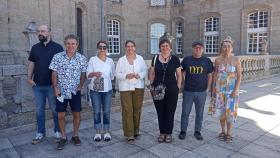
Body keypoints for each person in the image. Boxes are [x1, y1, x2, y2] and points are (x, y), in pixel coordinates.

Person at [49, 34, 87, 150]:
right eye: (68, 43)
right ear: (65, 44)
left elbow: (83, 73)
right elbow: (54, 72)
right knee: (60, 114)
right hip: (61, 91)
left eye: (73, 44)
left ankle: (75, 135)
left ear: (77, 45)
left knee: (77, 113)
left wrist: (80, 86)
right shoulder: (57, 57)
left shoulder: (82, 58)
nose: (71, 46)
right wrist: (55, 88)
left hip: (75, 91)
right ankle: (63, 137)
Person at [27, 25, 63, 144]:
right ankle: (40, 132)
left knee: (54, 109)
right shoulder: (35, 48)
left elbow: (61, 67)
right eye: (38, 31)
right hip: (37, 86)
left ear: (49, 33)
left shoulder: (58, 47)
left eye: (43, 31)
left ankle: (57, 131)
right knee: (39, 110)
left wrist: (58, 85)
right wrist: (29, 78)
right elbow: (31, 63)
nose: (40, 33)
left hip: (52, 86)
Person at [179, 40, 214, 141]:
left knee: (199, 113)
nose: (198, 49)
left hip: (201, 92)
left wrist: (208, 88)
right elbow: (180, 71)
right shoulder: (186, 60)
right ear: (193, 49)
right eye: (196, 48)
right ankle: (183, 131)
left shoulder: (207, 61)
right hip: (188, 91)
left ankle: (197, 131)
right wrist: (182, 83)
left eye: (200, 48)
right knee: (185, 112)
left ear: (202, 49)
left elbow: (210, 75)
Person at [149, 38, 182, 143]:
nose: (165, 47)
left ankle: (168, 133)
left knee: (170, 111)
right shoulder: (155, 58)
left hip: (172, 89)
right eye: (163, 46)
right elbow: (152, 73)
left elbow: (179, 75)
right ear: (160, 48)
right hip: (157, 89)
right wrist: (151, 85)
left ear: (170, 48)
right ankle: (162, 132)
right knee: (160, 111)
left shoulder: (175, 59)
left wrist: (177, 87)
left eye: (167, 46)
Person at [116, 40, 147, 145]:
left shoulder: (140, 58)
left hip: (138, 86)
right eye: (128, 46)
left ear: (135, 47)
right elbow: (117, 74)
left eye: (132, 46)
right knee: (127, 111)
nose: (130, 48)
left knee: (137, 110)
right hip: (125, 88)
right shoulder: (121, 60)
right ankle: (129, 134)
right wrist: (125, 76)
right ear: (125, 48)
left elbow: (144, 70)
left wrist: (140, 75)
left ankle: (136, 130)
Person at [212, 36, 242, 143]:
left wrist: (235, 90)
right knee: (221, 112)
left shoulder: (236, 60)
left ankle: (229, 133)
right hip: (220, 90)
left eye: (228, 46)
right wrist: (213, 89)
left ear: (232, 48)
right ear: (221, 48)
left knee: (230, 113)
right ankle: (222, 131)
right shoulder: (218, 60)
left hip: (231, 91)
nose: (226, 48)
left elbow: (239, 76)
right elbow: (215, 74)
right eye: (224, 46)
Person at [87, 41, 115, 142]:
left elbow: (112, 76)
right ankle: (98, 132)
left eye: (104, 47)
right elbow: (88, 74)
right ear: (97, 49)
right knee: (97, 111)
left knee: (106, 111)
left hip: (107, 88)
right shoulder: (92, 60)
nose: (102, 49)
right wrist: (94, 73)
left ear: (107, 49)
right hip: (95, 89)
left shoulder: (110, 61)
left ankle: (107, 131)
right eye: (100, 47)